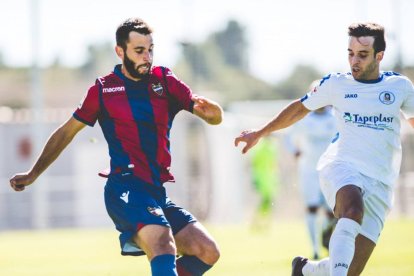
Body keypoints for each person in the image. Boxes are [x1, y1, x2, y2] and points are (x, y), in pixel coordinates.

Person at [9, 18, 222, 276]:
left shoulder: (164, 81)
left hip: (156, 192)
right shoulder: (103, 89)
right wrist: (33, 174)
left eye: (151, 49)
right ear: (120, 51)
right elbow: (66, 132)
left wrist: (214, 114)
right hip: (125, 188)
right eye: (139, 50)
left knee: (207, 251)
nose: (148, 57)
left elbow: (211, 117)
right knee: (163, 244)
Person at [234, 22, 414, 276]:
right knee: (352, 208)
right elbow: (299, 108)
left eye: (362, 55)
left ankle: (306, 270)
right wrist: (260, 132)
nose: (354, 61)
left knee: (350, 268)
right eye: (350, 53)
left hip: (382, 182)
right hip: (342, 167)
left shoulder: (400, 87)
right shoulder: (336, 84)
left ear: (380, 56)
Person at [285, 103, 337, 260]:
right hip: (308, 171)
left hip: (331, 170)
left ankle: (327, 241)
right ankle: (315, 249)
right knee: (312, 208)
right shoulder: (304, 118)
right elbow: (287, 137)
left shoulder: (336, 116)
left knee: (333, 211)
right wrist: (295, 151)